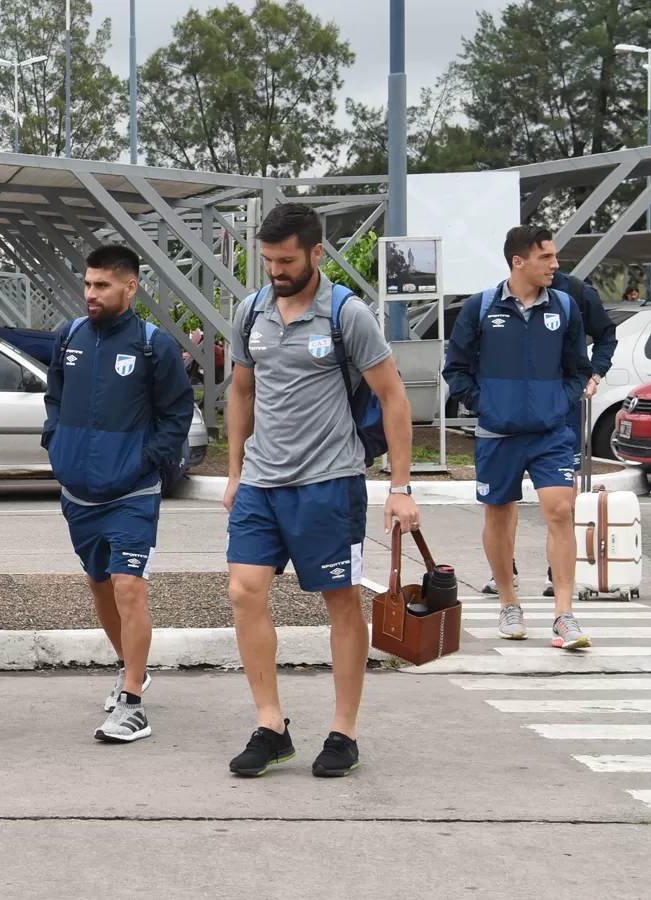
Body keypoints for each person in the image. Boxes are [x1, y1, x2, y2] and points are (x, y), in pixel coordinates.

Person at [224, 203, 418, 778]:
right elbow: (241, 392)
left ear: (315, 252)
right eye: (267, 261)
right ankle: (271, 724)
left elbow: (394, 398)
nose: (275, 271)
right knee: (244, 591)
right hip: (262, 482)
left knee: (340, 603)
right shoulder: (250, 312)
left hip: (329, 482)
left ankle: (343, 732)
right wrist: (235, 472)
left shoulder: (347, 315)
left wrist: (400, 487)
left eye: (286, 260)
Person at [41, 244, 194, 744]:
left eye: (102, 285)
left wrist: (146, 461)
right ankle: (134, 667)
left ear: (130, 287)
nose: (91, 293)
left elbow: (177, 413)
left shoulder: (154, 345)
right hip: (79, 494)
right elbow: (55, 397)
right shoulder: (69, 337)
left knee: (129, 585)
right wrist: (55, 442)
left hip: (132, 491)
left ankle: (131, 702)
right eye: (88, 284)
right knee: (100, 585)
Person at [443, 225, 592, 649]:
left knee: (560, 510)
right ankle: (509, 603)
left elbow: (577, 367)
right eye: (547, 257)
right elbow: (455, 369)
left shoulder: (564, 306)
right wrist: (486, 405)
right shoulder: (481, 307)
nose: (555, 265)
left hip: (550, 432)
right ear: (519, 261)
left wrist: (558, 403)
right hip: (498, 433)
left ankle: (565, 615)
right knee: (499, 514)